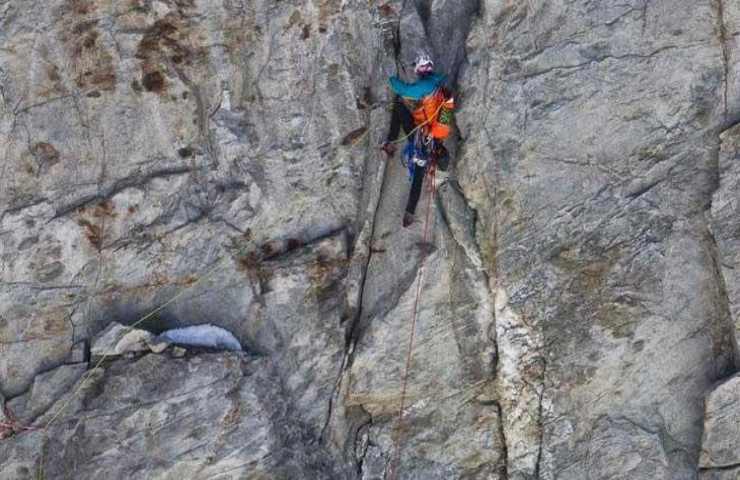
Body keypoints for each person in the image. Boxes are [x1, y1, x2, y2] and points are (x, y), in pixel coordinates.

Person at [381, 53, 454, 227]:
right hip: (431, 136)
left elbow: (405, 90)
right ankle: (410, 213)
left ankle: (391, 144)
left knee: (399, 106)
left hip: (424, 134)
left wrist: (390, 78)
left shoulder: (426, 85)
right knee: (419, 172)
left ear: (420, 69)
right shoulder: (437, 81)